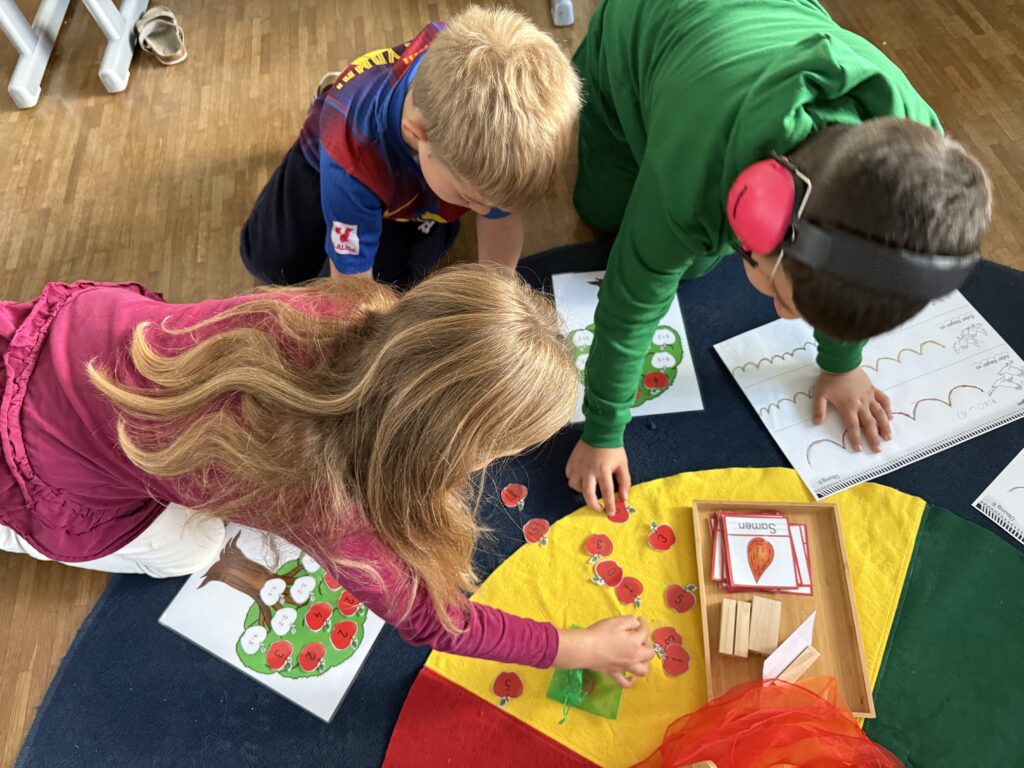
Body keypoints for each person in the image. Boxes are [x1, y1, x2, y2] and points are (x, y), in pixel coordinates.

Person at [0, 265, 653, 684]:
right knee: (193, 550)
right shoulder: (340, 512)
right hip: (38, 459)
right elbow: (437, 623)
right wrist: (579, 648)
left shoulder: (351, 309)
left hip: (75, 332)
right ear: (456, 450)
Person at [565, 0, 992, 511]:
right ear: (756, 208)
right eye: (786, 298)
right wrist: (603, 431)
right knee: (607, 214)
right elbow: (631, 298)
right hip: (638, 29)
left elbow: (858, 262)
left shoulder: (918, 164)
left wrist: (842, 364)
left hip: (737, 44)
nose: (785, 315)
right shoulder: (692, 175)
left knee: (694, 254)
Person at [240, 6, 581, 288]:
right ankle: (332, 88)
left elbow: (500, 220)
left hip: (422, 168)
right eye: (468, 200)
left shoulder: (463, 64)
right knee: (271, 264)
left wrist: (496, 294)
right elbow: (351, 285)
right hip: (337, 156)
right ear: (417, 134)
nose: (483, 210)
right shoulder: (352, 157)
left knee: (394, 280)